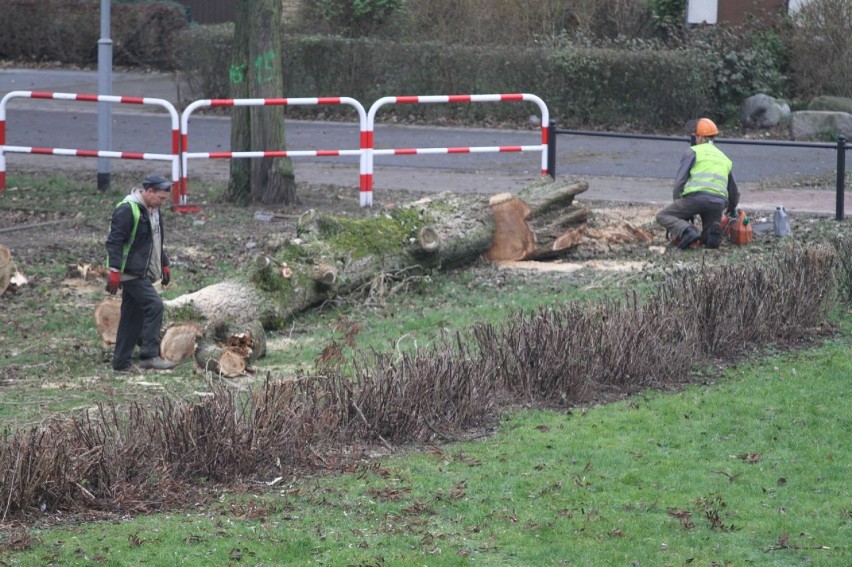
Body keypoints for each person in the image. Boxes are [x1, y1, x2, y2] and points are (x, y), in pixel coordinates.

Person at [105, 174, 177, 372]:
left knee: (131, 317)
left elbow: (156, 241)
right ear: (149, 191)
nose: (163, 202)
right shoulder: (127, 210)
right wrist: (114, 271)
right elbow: (114, 241)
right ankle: (149, 356)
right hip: (130, 272)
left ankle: (121, 363)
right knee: (155, 306)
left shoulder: (153, 211)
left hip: (141, 271)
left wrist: (164, 263)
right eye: (161, 198)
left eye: (165, 199)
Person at [656, 118, 740, 250]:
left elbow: (680, 181)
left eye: (696, 137)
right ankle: (711, 232)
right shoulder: (724, 158)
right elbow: (734, 191)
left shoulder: (693, 152)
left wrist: (679, 204)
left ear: (701, 137)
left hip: (696, 199)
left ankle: (688, 231)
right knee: (707, 234)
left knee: (663, 215)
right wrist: (731, 209)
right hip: (718, 203)